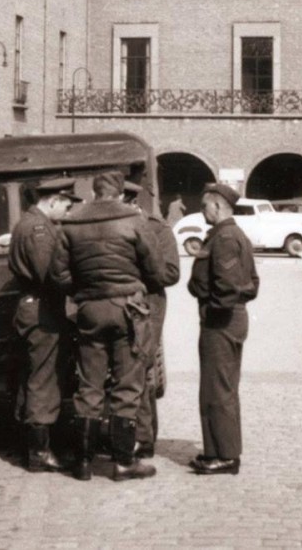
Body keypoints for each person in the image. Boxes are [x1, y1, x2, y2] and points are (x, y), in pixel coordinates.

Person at [50, 171, 164, 482]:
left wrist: (82, 292)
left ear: (95, 192)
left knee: (90, 385)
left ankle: (83, 462)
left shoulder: (72, 222)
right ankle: (124, 462)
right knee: (127, 385)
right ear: (117, 193)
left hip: (89, 309)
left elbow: (58, 274)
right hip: (128, 307)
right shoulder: (133, 219)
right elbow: (155, 269)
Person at [8, 178, 81, 472]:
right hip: (42, 310)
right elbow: (48, 274)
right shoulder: (38, 229)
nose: (67, 211)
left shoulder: (29, 222)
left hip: (35, 308)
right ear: (53, 200)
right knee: (44, 378)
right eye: (66, 204)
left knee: (34, 375)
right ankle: (40, 454)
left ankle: (30, 444)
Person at [187, 184, 259, 476]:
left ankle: (226, 456)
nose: (203, 211)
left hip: (221, 321)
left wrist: (211, 310)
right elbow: (252, 281)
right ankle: (216, 450)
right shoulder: (226, 235)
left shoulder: (226, 238)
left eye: (205, 206)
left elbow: (228, 288)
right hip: (225, 319)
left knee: (219, 390)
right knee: (216, 388)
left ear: (217, 207)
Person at [122, 181, 180, 459]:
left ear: (133, 201)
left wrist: (137, 275)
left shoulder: (157, 228)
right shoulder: (113, 227)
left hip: (149, 304)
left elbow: (170, 273)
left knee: (142, 366)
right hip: (118, 304)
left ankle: (144, 438)